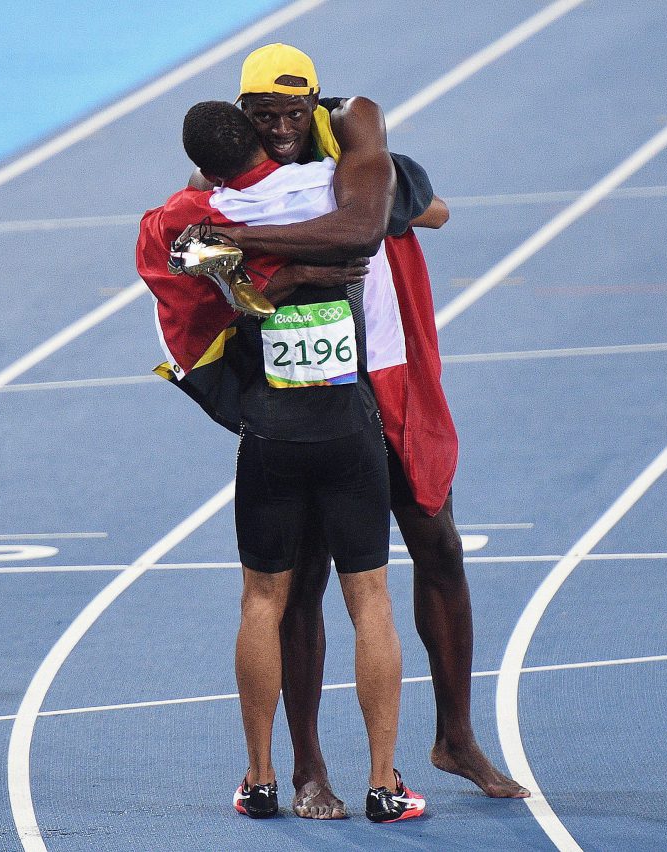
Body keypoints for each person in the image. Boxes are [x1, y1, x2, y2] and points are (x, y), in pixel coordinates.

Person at [188, 44, 529, 818]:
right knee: (301, 579)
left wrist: (250, 242)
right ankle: (308, 768)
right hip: (311, 391)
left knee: (436, 540)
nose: (277, 128)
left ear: (313, 102)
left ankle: (456, 738)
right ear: (241, 116)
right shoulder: (223, 179)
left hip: (392, 366)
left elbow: (369, 224)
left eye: (288, 112)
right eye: (260, 115)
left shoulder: (354, 127)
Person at [137, 100, 426, 823]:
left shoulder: (200, 226)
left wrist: (277, 278)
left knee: (263, 602)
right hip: (347, 430)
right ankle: (385, 785)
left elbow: (229, 301)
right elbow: (417, 213)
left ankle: (262, 779)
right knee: (372, 603)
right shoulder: (335, 190)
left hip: (270, 431)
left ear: (206, 167)